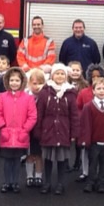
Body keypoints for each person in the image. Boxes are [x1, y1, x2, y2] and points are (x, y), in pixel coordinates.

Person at [34, 62, 79, 196]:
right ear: (52, 76)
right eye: (57, 74)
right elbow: (39, 113)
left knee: (62, 159)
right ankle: (47, 183)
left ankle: (60, 184)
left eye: (62, 74)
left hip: (64, 130)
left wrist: (74, 132)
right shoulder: (44, 92)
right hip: (48, 130)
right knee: (47, 159)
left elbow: (74, 115)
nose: (59, 76)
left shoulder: (71, 94)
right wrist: (38, 130)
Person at [0, 66, 37, 193]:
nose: (14, 83)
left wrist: (25, 130)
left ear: (22, 82)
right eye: (11, 80)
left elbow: (32, 116)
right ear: (7, 81)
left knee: (17, 160)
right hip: (6, 134)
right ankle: (7, 182)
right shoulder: (2, 97)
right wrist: (2, 127)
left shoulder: (28, 98)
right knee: (7, 160)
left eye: (17, 80)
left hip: (21, 134)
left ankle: (15, 182)